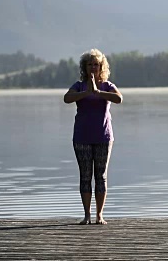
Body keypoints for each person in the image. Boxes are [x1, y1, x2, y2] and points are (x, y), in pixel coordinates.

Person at [64, 48, 123, 225]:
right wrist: (87, 92)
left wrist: (98, 92)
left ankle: (99, 215)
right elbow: (67, 98)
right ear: (85, 67)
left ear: (101, 67)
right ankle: (87, 215)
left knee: (101, 176)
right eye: (89, 64)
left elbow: (119, 98)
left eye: (96, 64)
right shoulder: (79, 85)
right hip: (82, 136)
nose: (93, 67)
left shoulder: (107, 85)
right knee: (85, 175)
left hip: (103, 136)